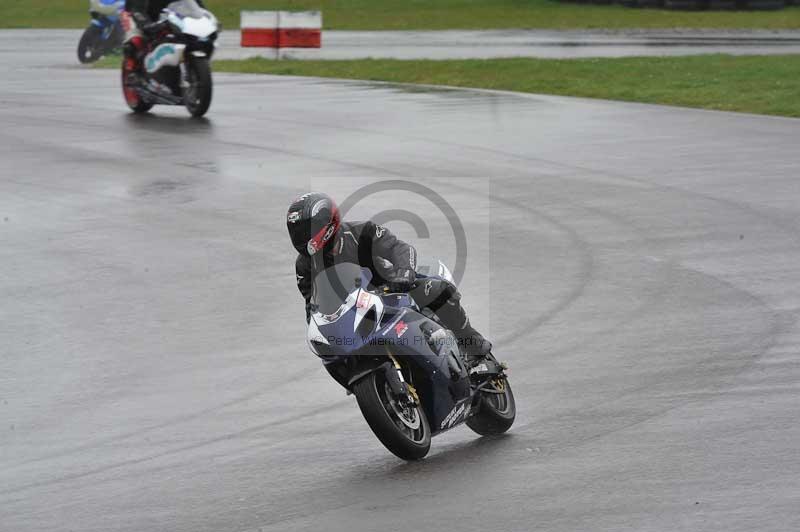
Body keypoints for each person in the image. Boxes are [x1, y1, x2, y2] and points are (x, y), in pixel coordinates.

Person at [287, 192, 492, 363]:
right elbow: (312, 305)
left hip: (391, 291)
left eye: (306, 230)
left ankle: (471, 342)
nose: (301, 238)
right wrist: (319, 327)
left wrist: (404, 274)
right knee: (334, 357)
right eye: (297, 232)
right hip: (355, 314)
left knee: (439, 290)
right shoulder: (304, 265)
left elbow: (399, 248)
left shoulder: (361, 233)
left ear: (327, 223)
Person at [121, 0, 206, 70]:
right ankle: (132, 65)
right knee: (136, 39)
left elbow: (199, 9)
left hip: (170, 20)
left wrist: (203, 18)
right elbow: (136, 10)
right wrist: (146, 24)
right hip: (141, 17)